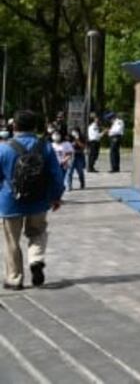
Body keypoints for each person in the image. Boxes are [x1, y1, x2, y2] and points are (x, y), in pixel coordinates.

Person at [0, 109, 65, 290]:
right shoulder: (45, 146)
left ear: (14, 126)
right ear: (35, 126)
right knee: (38, 232)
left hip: (10, 201)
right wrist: (56, 197)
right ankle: (36, 260)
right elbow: (56, 175)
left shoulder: (3, 148)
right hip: (39, 200)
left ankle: (14, 279)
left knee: (12, 241)